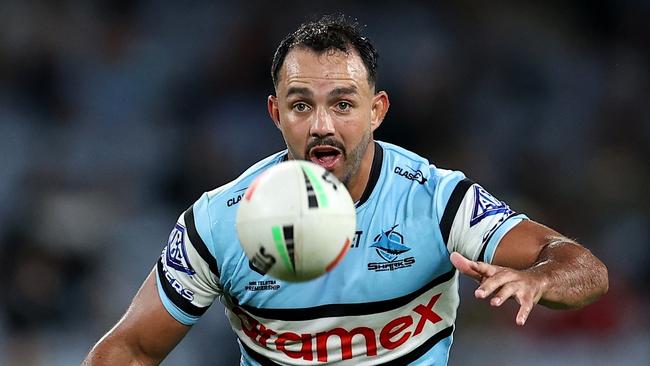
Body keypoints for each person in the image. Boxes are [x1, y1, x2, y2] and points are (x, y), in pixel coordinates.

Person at [83, 15, 608, 365]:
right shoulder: (219, 222)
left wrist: (538, 279)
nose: (321, 126)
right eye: (301, 105)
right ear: (275, 114)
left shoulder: (436, 201)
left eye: (342, 103)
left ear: (377, 110)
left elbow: (583, 266)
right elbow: (130, 348)